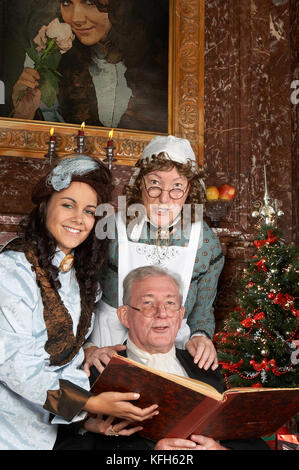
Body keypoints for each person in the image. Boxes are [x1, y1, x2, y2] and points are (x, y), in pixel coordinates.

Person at [0, 155, 158, 450]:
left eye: (89, 211)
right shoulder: (12, 270)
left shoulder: (78, 273)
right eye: (68, 205)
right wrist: (91, 403)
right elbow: (16, 368)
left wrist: (83, 416)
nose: (79, 219)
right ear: (45, 206)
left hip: (52, 428)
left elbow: (64, 354)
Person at [60, 266, 269, 450]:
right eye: (148, 303)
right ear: (125, 316)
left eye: (170, 303)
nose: (162, 313)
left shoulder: (205, 368)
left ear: (180, 315)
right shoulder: (97, 369)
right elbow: (63, 443)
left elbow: (250, 441)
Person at [85, 135, 225, 372]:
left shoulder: (205, 242)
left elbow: (202, 310)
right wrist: (87, 348)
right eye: (155, 184)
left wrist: (202, 335)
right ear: (140, 184)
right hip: (107, 351)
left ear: (189, 189)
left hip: (172, 355)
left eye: (177, 187)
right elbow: (81, 297)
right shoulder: (110, 230)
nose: (164, 197)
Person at [11, 0, 168, 132]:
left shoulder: (167, 56)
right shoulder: (47, 57)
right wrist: (23, 114)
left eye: (89, 2)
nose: (76, 18)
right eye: (66, 2)